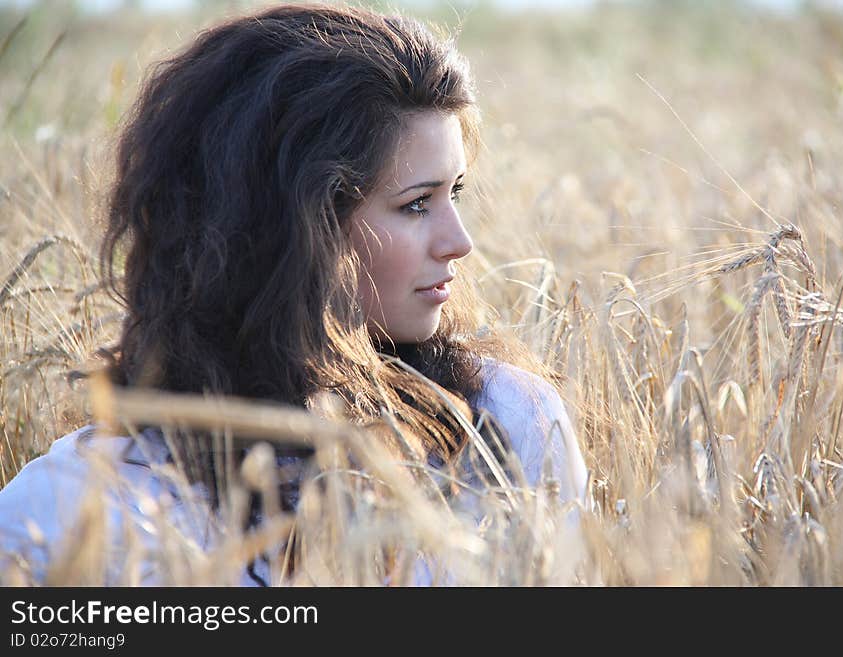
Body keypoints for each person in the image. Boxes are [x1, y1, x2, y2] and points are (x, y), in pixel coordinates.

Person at [0, 3, 587, 586]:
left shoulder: (507, 429)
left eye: (455, 192)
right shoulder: (71, 511)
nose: (460, 242)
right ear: (289, 230)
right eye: (415, 204)